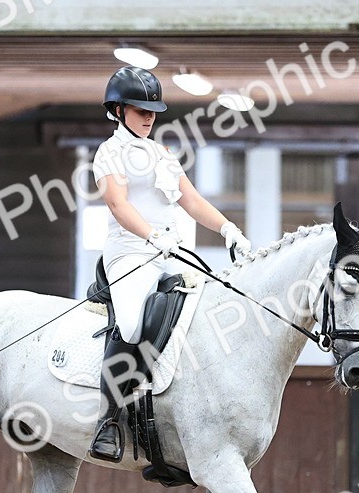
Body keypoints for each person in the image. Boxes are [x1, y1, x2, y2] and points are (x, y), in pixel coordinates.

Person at [88, 66, 252, 462]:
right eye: (140, 109)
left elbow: (191, 201)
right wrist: (150, 235)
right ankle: (108, 419)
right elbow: (118, 205)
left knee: (212, 304)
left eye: (153, 110)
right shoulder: (108, 154)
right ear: (118, 109)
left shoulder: (162, 154)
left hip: (170, 251)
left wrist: (228, 228)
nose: (148, 116)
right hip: (130, 252)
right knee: (130, 322)